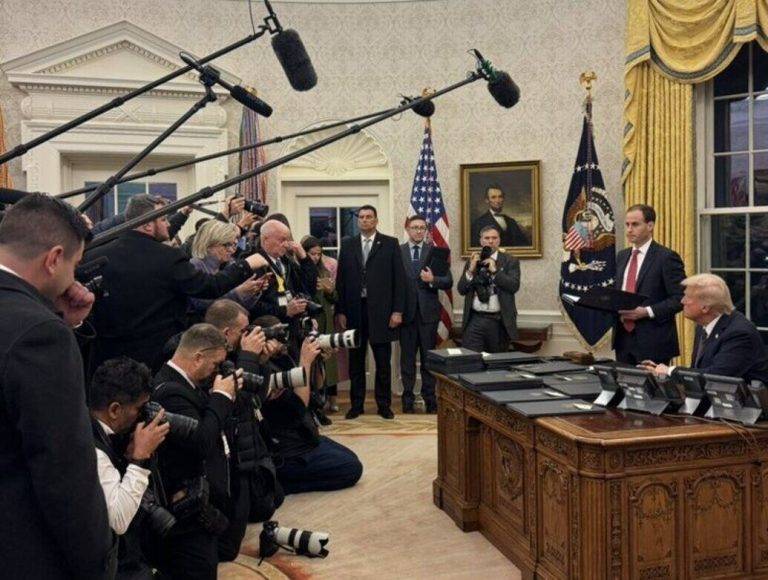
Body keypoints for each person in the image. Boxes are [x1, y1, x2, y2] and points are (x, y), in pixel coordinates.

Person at [0, 193, 115, 579]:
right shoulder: (39, 335)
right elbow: (63, 472)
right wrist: (96, 559)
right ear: (53, 259)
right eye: (74, 265)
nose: (73, 279)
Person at [87, 193, 268, 372]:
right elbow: (209, 287)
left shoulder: (97, 257)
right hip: (154, 360)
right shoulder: (167, 258)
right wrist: (246, 265)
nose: (168, 223)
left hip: (105, 360)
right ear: (147, 224)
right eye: (164, 219)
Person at [151, 324, 242, 580]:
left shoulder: (187, 384)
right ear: (198, 356)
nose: (216, 371)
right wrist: (221, 397)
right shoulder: (169, 392)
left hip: (202, 500)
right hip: (186, 510)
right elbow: (201, 441)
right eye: (215, 364)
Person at [90, 357, 170, 580]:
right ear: (115, 410)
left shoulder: (95, 429)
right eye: (139, 408)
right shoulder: (94, 453)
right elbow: (118, 520)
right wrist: (139, 458)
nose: (142, 415)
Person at [260, 334, 363, 494]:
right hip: (288, 450)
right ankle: (281, 484)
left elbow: (314, 395)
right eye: (278, 339)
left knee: (350, 457)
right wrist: (305, 362)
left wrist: (316, 362)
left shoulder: (284, 360)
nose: (283, 343)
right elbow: (299, 408)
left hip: (303, 436)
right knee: (352, 468)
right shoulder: (264, 372)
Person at [336, 205, 406, 419]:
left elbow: (399, 281)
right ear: (358, 221)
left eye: (369, 217)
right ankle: (356, 405)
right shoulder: (348, 245)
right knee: (356, 361)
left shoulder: (390, 244)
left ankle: (384, 405)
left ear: (376, 220)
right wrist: (341, 310)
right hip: (355, 312)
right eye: (362, 217)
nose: (365, 220)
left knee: (382, 362)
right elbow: (341, 281)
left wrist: (397, 311)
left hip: (383, 313)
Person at [641, 274, 768, 382]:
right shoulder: (704, 325)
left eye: (687, 297)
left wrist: (669, 371)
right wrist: (660, 371)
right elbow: (699, 372)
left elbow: (715, 377)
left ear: (705, 308)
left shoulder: (739, 333)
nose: (682, 301)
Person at [613, 204, 686, 365]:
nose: (629, 230)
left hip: (654, 342)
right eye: (627, 225)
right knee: (624, 388)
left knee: (651, 389)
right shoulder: (621, 256)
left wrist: (646, 311)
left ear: (650, 226)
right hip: (623, 339)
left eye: (635, 224)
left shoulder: (666, 257)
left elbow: (680, 298)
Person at [399, 215, 453, 413]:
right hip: (406, 315)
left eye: (422, 228)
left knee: (428, 360)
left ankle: (430, 398)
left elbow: (448, 281)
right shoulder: (399, 251)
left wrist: (433, 279)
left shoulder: (435, 252)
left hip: (428, 315)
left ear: (427, 230)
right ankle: (407, 398)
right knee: (407, 360)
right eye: (415, 227)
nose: (418, 231)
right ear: (408, 229)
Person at [457, 225, 520, 353]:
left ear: (499, 240)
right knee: (471, 361)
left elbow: (513, 286)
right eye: (487, 238)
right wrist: (470, 270)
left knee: (496, 365)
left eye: (494, 238)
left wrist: (495, 271)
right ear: (481, 241)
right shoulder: (473, 260)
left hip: (498, 321)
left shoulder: (510, 261)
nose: (490, 241)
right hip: (475, 320)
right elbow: (461, 289)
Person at [188, 220, 269, 317]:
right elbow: (202, 305)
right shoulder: (194, 266)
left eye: (234, 245)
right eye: (227, 245)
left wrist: (252, 291)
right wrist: (239, 293)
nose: (231, 250)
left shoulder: (229, 265)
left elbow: (243, 307)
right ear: (209, 243)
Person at [301, 236, 340, 411]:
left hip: (326, 320)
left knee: (329, 360)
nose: (315, 257)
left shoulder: (325, 270)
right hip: (310, 319)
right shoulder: (299, 270)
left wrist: (330, 290)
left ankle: (332, 399)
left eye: (319, 254)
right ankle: (314, 400)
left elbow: (335, 298)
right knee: (314, 361)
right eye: (312, 254)